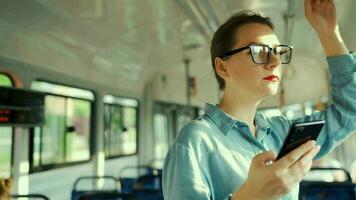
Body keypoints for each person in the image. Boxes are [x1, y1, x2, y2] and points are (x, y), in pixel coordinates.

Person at [162, 0, 356, 199]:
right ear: (222, 67)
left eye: (278, 52)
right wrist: (251, 195)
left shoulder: (281, 133)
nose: (274, 63)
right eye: (259, 52)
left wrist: (329, 33)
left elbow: (350, 110)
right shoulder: (195, 141)